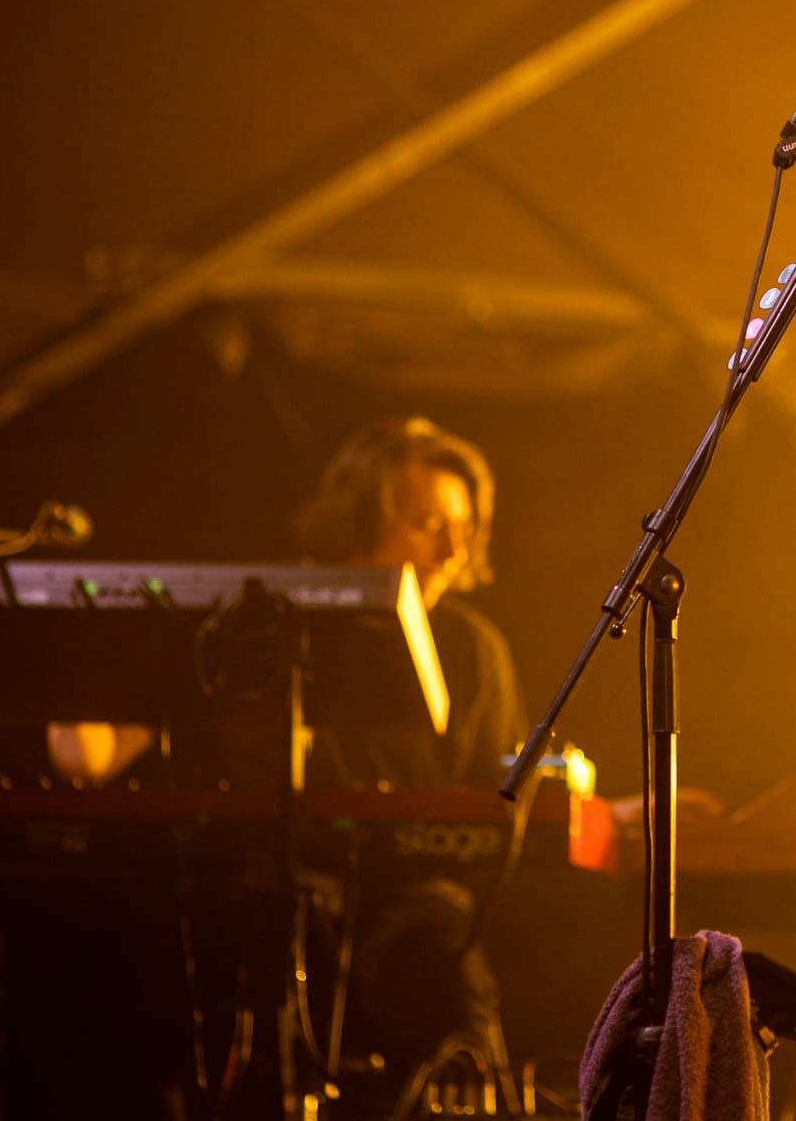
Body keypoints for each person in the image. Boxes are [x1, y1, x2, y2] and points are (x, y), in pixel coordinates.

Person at [292, 415, 529, 1096]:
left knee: (445, 977)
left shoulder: (473, 648)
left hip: (415, 911)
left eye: (464, 528)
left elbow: (500, 798)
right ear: (358, 518)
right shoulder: (278, 621)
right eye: (429, 524)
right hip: (283, 897)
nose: (453, 549)